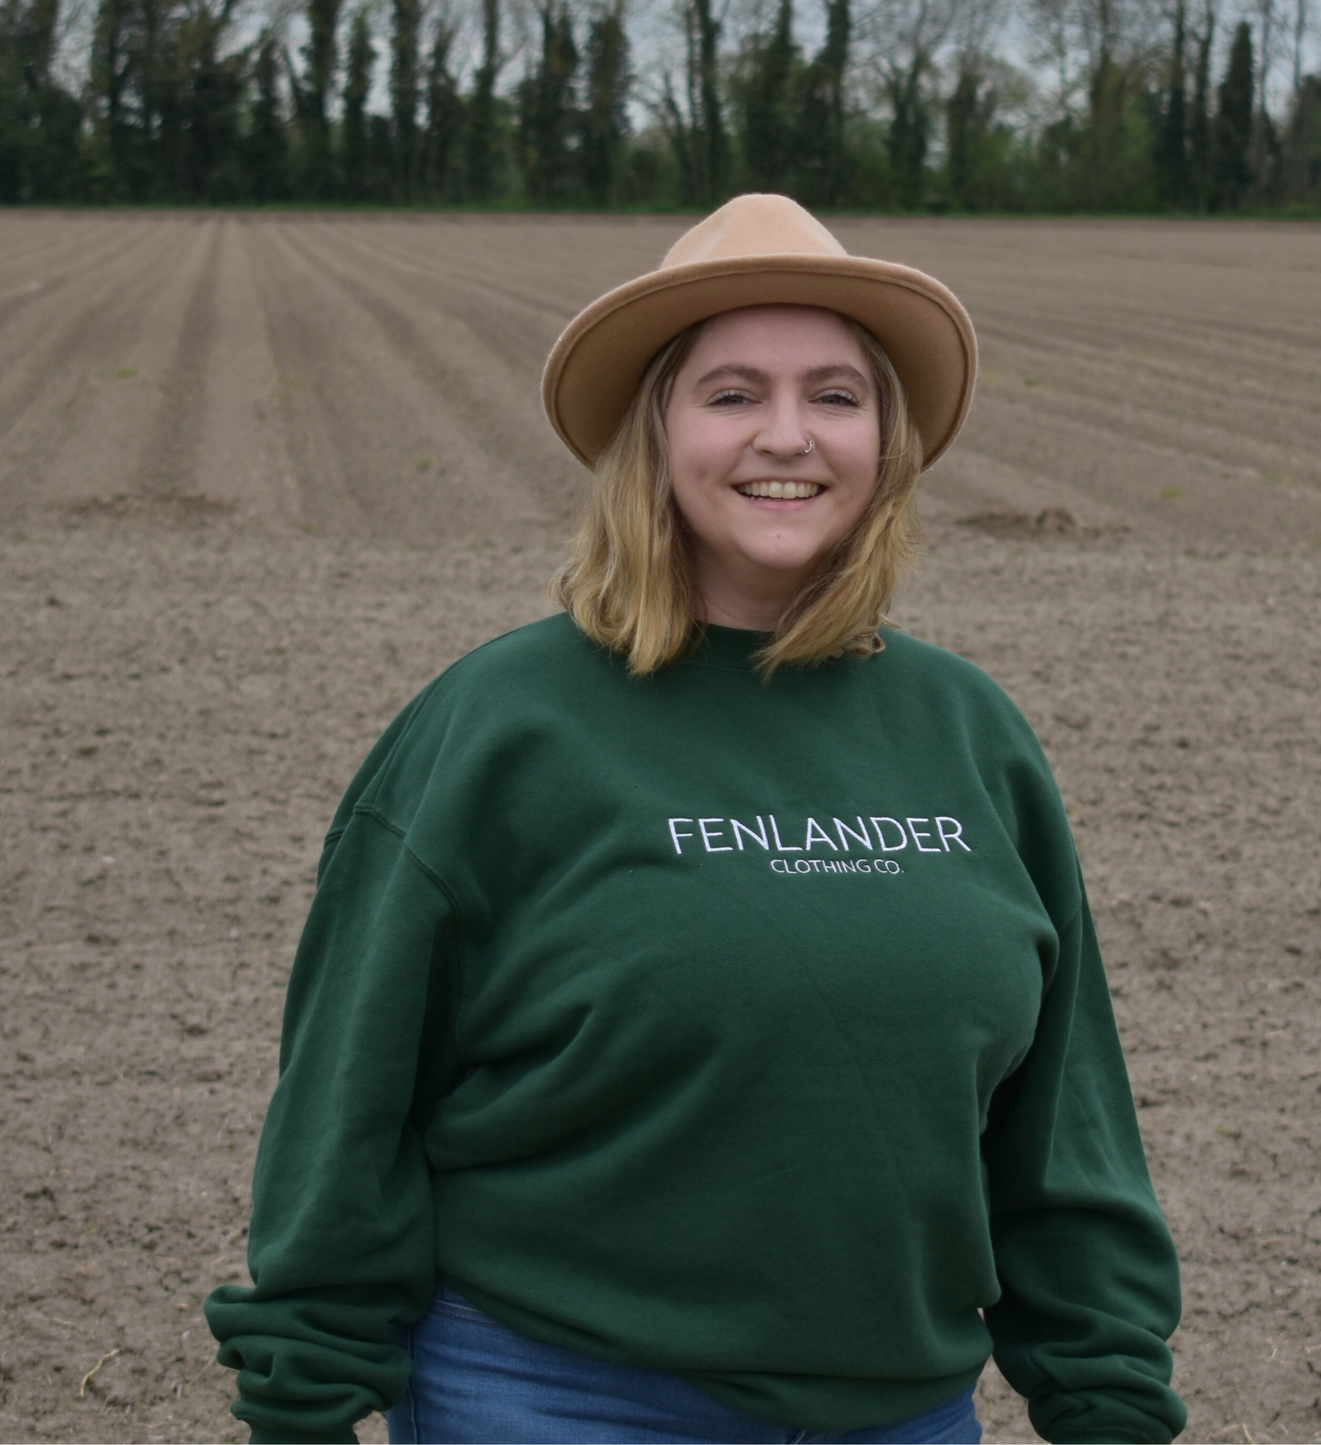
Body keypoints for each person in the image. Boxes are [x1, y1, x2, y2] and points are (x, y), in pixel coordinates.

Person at [205, 194, 1186, 1445]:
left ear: (884, 438)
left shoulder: (967, 733)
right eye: (729, 393)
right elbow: (347, 1102)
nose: (787, 434)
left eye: (835, 394)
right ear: (653, 433)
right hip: (554, 1394)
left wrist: (1104, 1395)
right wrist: (303, 1392)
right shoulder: (502, 725)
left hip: (903, 1411)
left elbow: (1062, 1122)